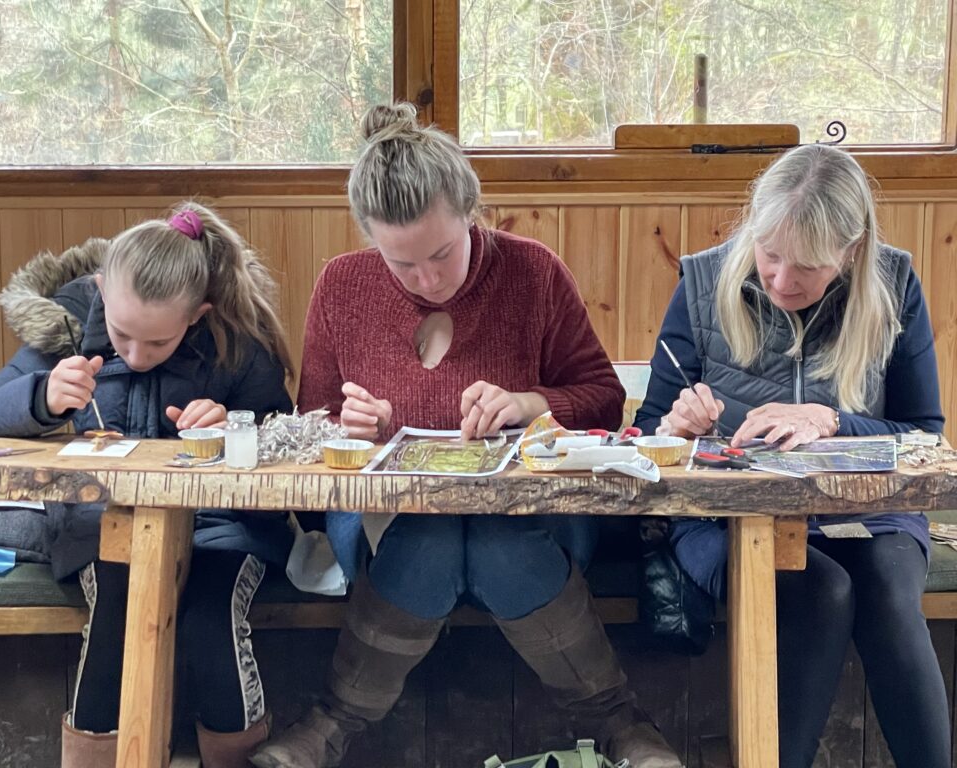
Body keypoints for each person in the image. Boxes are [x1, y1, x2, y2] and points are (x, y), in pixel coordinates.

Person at [249, 102, 684, 768]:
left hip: (532, 518)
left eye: (441, 254)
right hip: (386, 520)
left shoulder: (532, 272)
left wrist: (528, 404)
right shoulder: (342, 286)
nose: (426, 280)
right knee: (430, 536)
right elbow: (311, 429)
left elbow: (603, 400)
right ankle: (334, 724)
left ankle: (615, 725)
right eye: (401, 264)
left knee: (494, 537)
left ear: (473, 212)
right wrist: (352, 428)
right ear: (370, 240)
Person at [634, 144, 949, 768]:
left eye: (806, 265)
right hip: (727, 518)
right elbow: (647, 436)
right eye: (769, 253)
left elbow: (924, 436)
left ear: (851, 251)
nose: (781, 281)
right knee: (819, 590)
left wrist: (832, 421)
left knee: (888, 592)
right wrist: (677, 426)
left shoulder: (893, 285)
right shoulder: (703, 283)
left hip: (868, 512)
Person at [0, 203, 295, 768]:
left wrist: (234, 428)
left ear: (198, 314)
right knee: (120, 603)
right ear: (99, 291)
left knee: (210, 619)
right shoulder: (65, 326)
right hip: (101, 527)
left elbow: (285, 443)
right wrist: (41, 397)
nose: (136, 356)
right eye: (121, 335)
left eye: (158, 343)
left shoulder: (234, 341)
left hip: (223, 528)